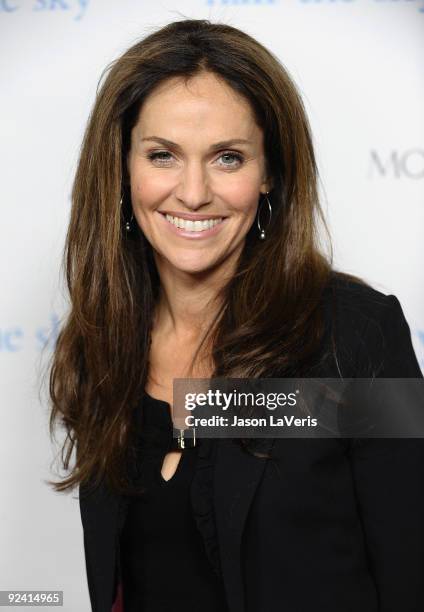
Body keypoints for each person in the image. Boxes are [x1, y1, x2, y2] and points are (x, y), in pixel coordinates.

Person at [47, 18, 424, 612]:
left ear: (269, 172)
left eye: (227, 157)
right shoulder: (104, 340)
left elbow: (412, 574)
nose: (193, 193)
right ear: (121, 170)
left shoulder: (358, 334)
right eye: (162, 155)